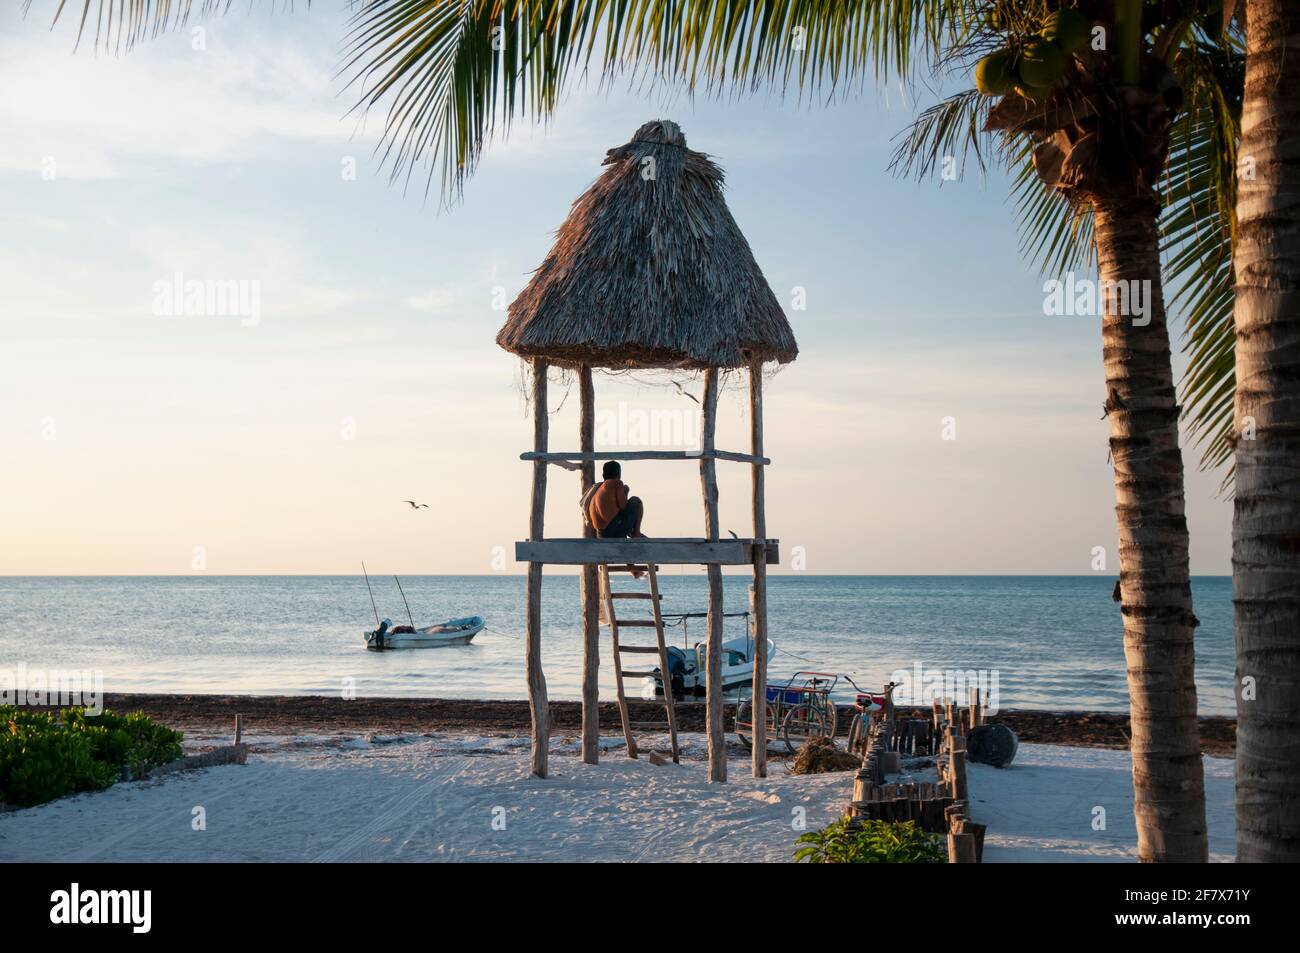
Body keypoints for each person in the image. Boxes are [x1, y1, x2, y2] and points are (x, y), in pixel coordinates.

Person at [588, 461, 645, 539]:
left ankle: (631, 533)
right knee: (636, 500)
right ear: (618, 474)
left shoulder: (598, 490)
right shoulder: (616, 483)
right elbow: (623, 506)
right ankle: (636, 533)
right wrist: (625, 492)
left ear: (603, 475)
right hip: (612, 529)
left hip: (601, 534)